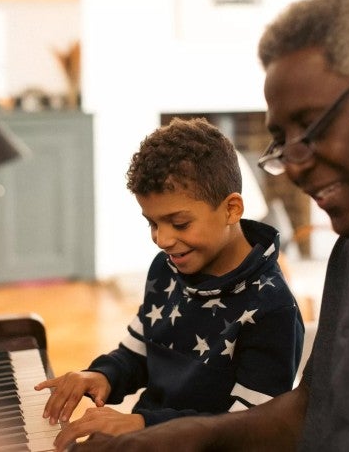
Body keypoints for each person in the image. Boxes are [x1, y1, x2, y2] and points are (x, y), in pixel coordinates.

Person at [69, 0, 349, 451]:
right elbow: (308, 411)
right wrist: (164, 437)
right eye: (282, 139)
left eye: (309, 126)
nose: (294, 162)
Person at [35, 117, 305, 451]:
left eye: (179, 223)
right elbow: (138, 352)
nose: (162, 239)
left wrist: (141, 424)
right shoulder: (166, 270)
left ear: (231, 209)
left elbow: (248, 430)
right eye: (152, 223)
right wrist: (101, 375)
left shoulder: (271, 309)